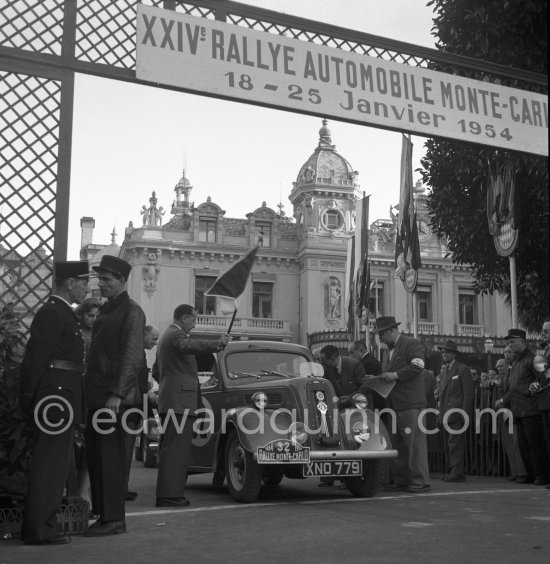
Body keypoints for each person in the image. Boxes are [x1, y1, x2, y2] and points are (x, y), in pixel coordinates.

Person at [19, 260, 90, 545]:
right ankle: (39, 529)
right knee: (49, 464)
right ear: (70, 283)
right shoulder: (52, 313)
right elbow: (35, 359)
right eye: (83, 282)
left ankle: (42, 524)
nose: (87, 287)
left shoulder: (63, 314)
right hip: (55, 398)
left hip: (62, 396)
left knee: (56, 464)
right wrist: (28, 397)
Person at [85, 255, 146, 536]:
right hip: (101, 395)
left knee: (110, 461)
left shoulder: (132, 311)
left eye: (107, 280)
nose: (102, 284)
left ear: (122, 281)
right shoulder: (109, 310)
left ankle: (114, 519)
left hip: (114, 400)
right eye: (100, 279)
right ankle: (104, 515)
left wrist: (117, 393)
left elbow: (132, 356)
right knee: (98, 459)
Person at [153, 304, 230, 507]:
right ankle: (169, 495)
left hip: (173, 399)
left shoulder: (166, 337)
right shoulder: (176, 336)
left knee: (173, 449)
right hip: (179, 402)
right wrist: (217, 343)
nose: (195, 324)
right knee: (176, 451)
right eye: (194, 320)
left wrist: (169, 384)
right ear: (184, 318)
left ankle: (171, 492)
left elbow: (156, 371)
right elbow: (189, 346)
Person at [373, 316, 430, 493]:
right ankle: (403, 479)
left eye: (381, 334)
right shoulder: (386, 351)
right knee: (398, 445)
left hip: (411, 404)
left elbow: (418, 365)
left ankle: (420, 481)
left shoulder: (411, 343)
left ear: (392, 330)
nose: (379, 338)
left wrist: (395, 375)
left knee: (414, 445)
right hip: (396, 405)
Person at [496, 328, 550, 485]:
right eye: (508, 342)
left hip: (531, 409)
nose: (509, 345)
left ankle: (543, 475)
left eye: (512, 342)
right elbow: (512, 387)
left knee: (536, 445)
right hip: (518, 409)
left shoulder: (533, 359)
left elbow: (543, 379)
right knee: (524, 446)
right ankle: (532, 474)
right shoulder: (516, 362)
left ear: (522, 341)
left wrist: (533, 388)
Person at [318, 344, 366, 487]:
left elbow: (365, 387)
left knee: (352, 443)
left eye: (323, 360)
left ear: (333, 359)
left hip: (354, 411)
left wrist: (350, 398)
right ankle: (328, 477)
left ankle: (350, 479)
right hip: (335, 410)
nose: (321, 364)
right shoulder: (327, 369)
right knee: (330, 440)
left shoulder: (355, 365)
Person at [125, 324, 159, 501]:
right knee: (124, 449)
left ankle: (123, 486)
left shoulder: (139, 352)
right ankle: (121, 488)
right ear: (144, 335)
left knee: (127, 448)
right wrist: (147, 390)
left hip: (134, 405)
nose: (155, 343)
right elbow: (136, 378)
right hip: (130, 406)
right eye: (153, 339)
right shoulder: (136, 352)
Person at [437, 340, 474, 482]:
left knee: (455, 444)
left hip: (457, 413)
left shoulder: (462, 369)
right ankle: (454, 470)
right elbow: (441, 394)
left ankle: (457, 472)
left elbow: (468, 393)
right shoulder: (444, 370)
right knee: (449, 445)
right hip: (446, 413)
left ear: (454, 354)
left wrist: (465, 413)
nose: (444, 354)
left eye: (446, 351)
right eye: (442, 352)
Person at [495, 354, 527, 482]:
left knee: (515, 444)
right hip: (505, 412)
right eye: (497, 367)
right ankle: (515, 472)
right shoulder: (501, 377)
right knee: (508, 444)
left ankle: (522, 473)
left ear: (507, 366)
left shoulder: (511, 374)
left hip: (513, 411)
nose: (499, 369)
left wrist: (502, 399)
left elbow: (513, 390)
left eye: (501, 366)